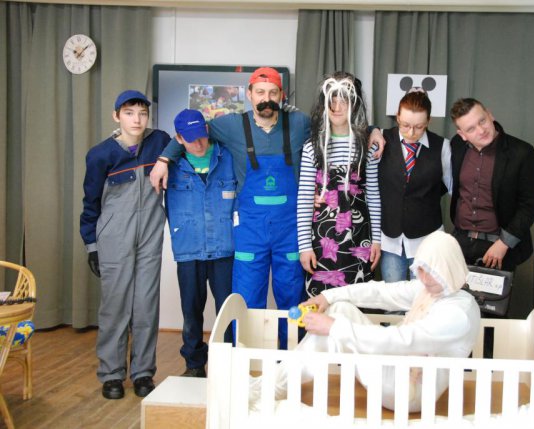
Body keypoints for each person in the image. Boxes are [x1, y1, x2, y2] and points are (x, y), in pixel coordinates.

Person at [150, 67, 384, 348]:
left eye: (273, 92)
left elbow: (338, 122)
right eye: (260, 92)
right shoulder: (230, 125)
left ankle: (293, 356)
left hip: (289, 228)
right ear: (249, 94)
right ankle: (244, 356)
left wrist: (373, 130)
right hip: (250, 229)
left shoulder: (299, 123)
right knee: (246, 298)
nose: (266, 98)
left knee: (293, 298)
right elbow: (190, 133)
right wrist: (164, 159)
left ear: (281, 95)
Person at [250, 230, 480, 412]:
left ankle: (272, 387)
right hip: (398, 368)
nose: (425, 278)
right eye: (421, 270)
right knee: (339, 308)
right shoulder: (433, 290)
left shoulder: (458, 313)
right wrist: (327, 296)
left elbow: (402, 340)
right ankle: (274, 383)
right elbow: (380, 293)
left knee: (334, 325)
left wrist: (334, 327)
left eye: (432, 272)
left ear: (448, 270)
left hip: (409, 390)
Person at [80, 90, 170, 399]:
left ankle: (143, 372)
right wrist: (92, 245)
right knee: (115, 307)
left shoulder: (159, 142)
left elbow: (180, 144)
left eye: (142, 113)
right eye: (129, 113)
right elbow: (90, 204)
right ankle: (112, 374)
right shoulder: (100, 155)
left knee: (146, 305)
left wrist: (164, 160)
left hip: (149, 236)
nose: (137, 119)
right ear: (116, 116)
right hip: (113, 238)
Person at [165, 109, 236, 378]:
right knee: (191, 311)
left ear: (207, 130)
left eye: (202, 136)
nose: (199, 144)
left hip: (225, 247)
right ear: (178, 139)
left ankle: (227, 364)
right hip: (189, 249)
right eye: (190, 139)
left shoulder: (228, 157)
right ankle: (194, 365)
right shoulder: (170, 166)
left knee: (228, 309)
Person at [297, 72, 381, 297]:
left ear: (354, 104)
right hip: (322, 240)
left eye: (343, 100)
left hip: (360, 237)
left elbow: (373, 196)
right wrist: (304, 247)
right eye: (331, 100)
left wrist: (376, 241)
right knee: (321, 302)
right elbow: (304, 200)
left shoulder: (367, 147)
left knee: (358, 301)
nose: (336, 107)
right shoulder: (312, 147)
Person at [449, 98, 534, 273]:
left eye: (482, 121)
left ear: (490, 115)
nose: (481, 130)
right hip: (460, 243)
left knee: (494, 293)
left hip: (499, 246)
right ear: (462, 134)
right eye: (471, 129)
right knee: (455, 292)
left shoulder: (522, 153)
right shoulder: (457, 145)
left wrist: (504, 243)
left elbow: (530, 205)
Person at [378, 90, 452, 282]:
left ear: (428, 121)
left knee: (425, 296)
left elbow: (453, 187)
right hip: (391, 239)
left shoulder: (442, 146)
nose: (411, 133)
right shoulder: (381, 139)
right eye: (405, 125)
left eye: (419, 127)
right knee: (393, 297)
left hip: (428, 239)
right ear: (397, 117)